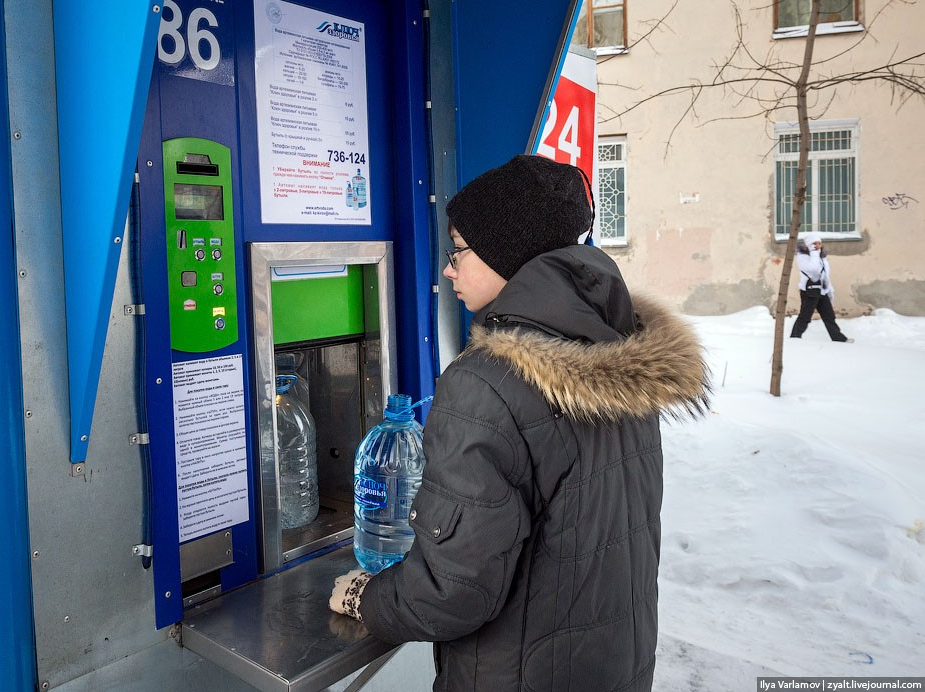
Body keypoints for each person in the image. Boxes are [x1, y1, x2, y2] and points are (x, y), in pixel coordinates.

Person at [329, 154, 711, 691]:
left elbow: (452, 590)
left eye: (459, 250)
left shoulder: (487, 385)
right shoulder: (622, 352)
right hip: (614, 667)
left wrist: (367, 597)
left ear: (509, 256)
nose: (448, 268)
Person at [790, 233, 851, 342]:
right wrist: (814, 253)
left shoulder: (821, 257)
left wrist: (829, 290)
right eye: (814, 243)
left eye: (819, 243)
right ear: (808, 245)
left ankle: (838, 338)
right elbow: (813, 269)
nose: (817, 246)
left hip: (822, 291)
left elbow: (825, 275)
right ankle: (794, 338)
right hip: (809, 292)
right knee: (805, 317)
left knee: (829, 316)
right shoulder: (803, 257)